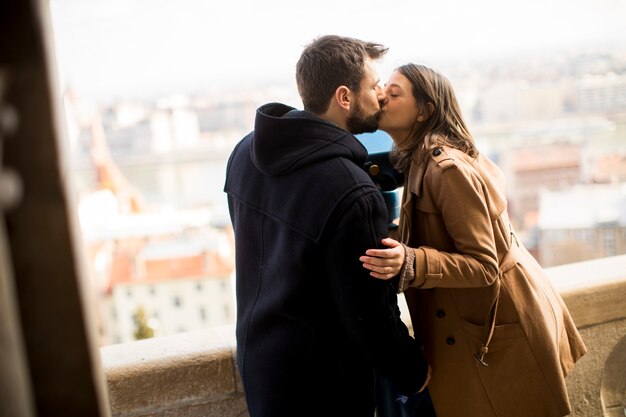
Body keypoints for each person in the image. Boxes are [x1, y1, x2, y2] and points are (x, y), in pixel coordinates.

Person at [359, 63, 587, 417]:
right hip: (481, 329)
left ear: (425, 111)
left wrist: (411, 261)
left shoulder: (445, 170)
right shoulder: (420, 158)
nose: (382, 96)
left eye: (395, 92)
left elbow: (484, 265)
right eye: (383, 88)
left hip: (499, 333)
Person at [223, 36, 430, 417]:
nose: (380, 95)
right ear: (344, 97)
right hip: (323, 389)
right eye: (372, 86)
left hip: (262, 371)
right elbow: (368, 315)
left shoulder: (243, 155)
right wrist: (416, 374)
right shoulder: (352, 194)